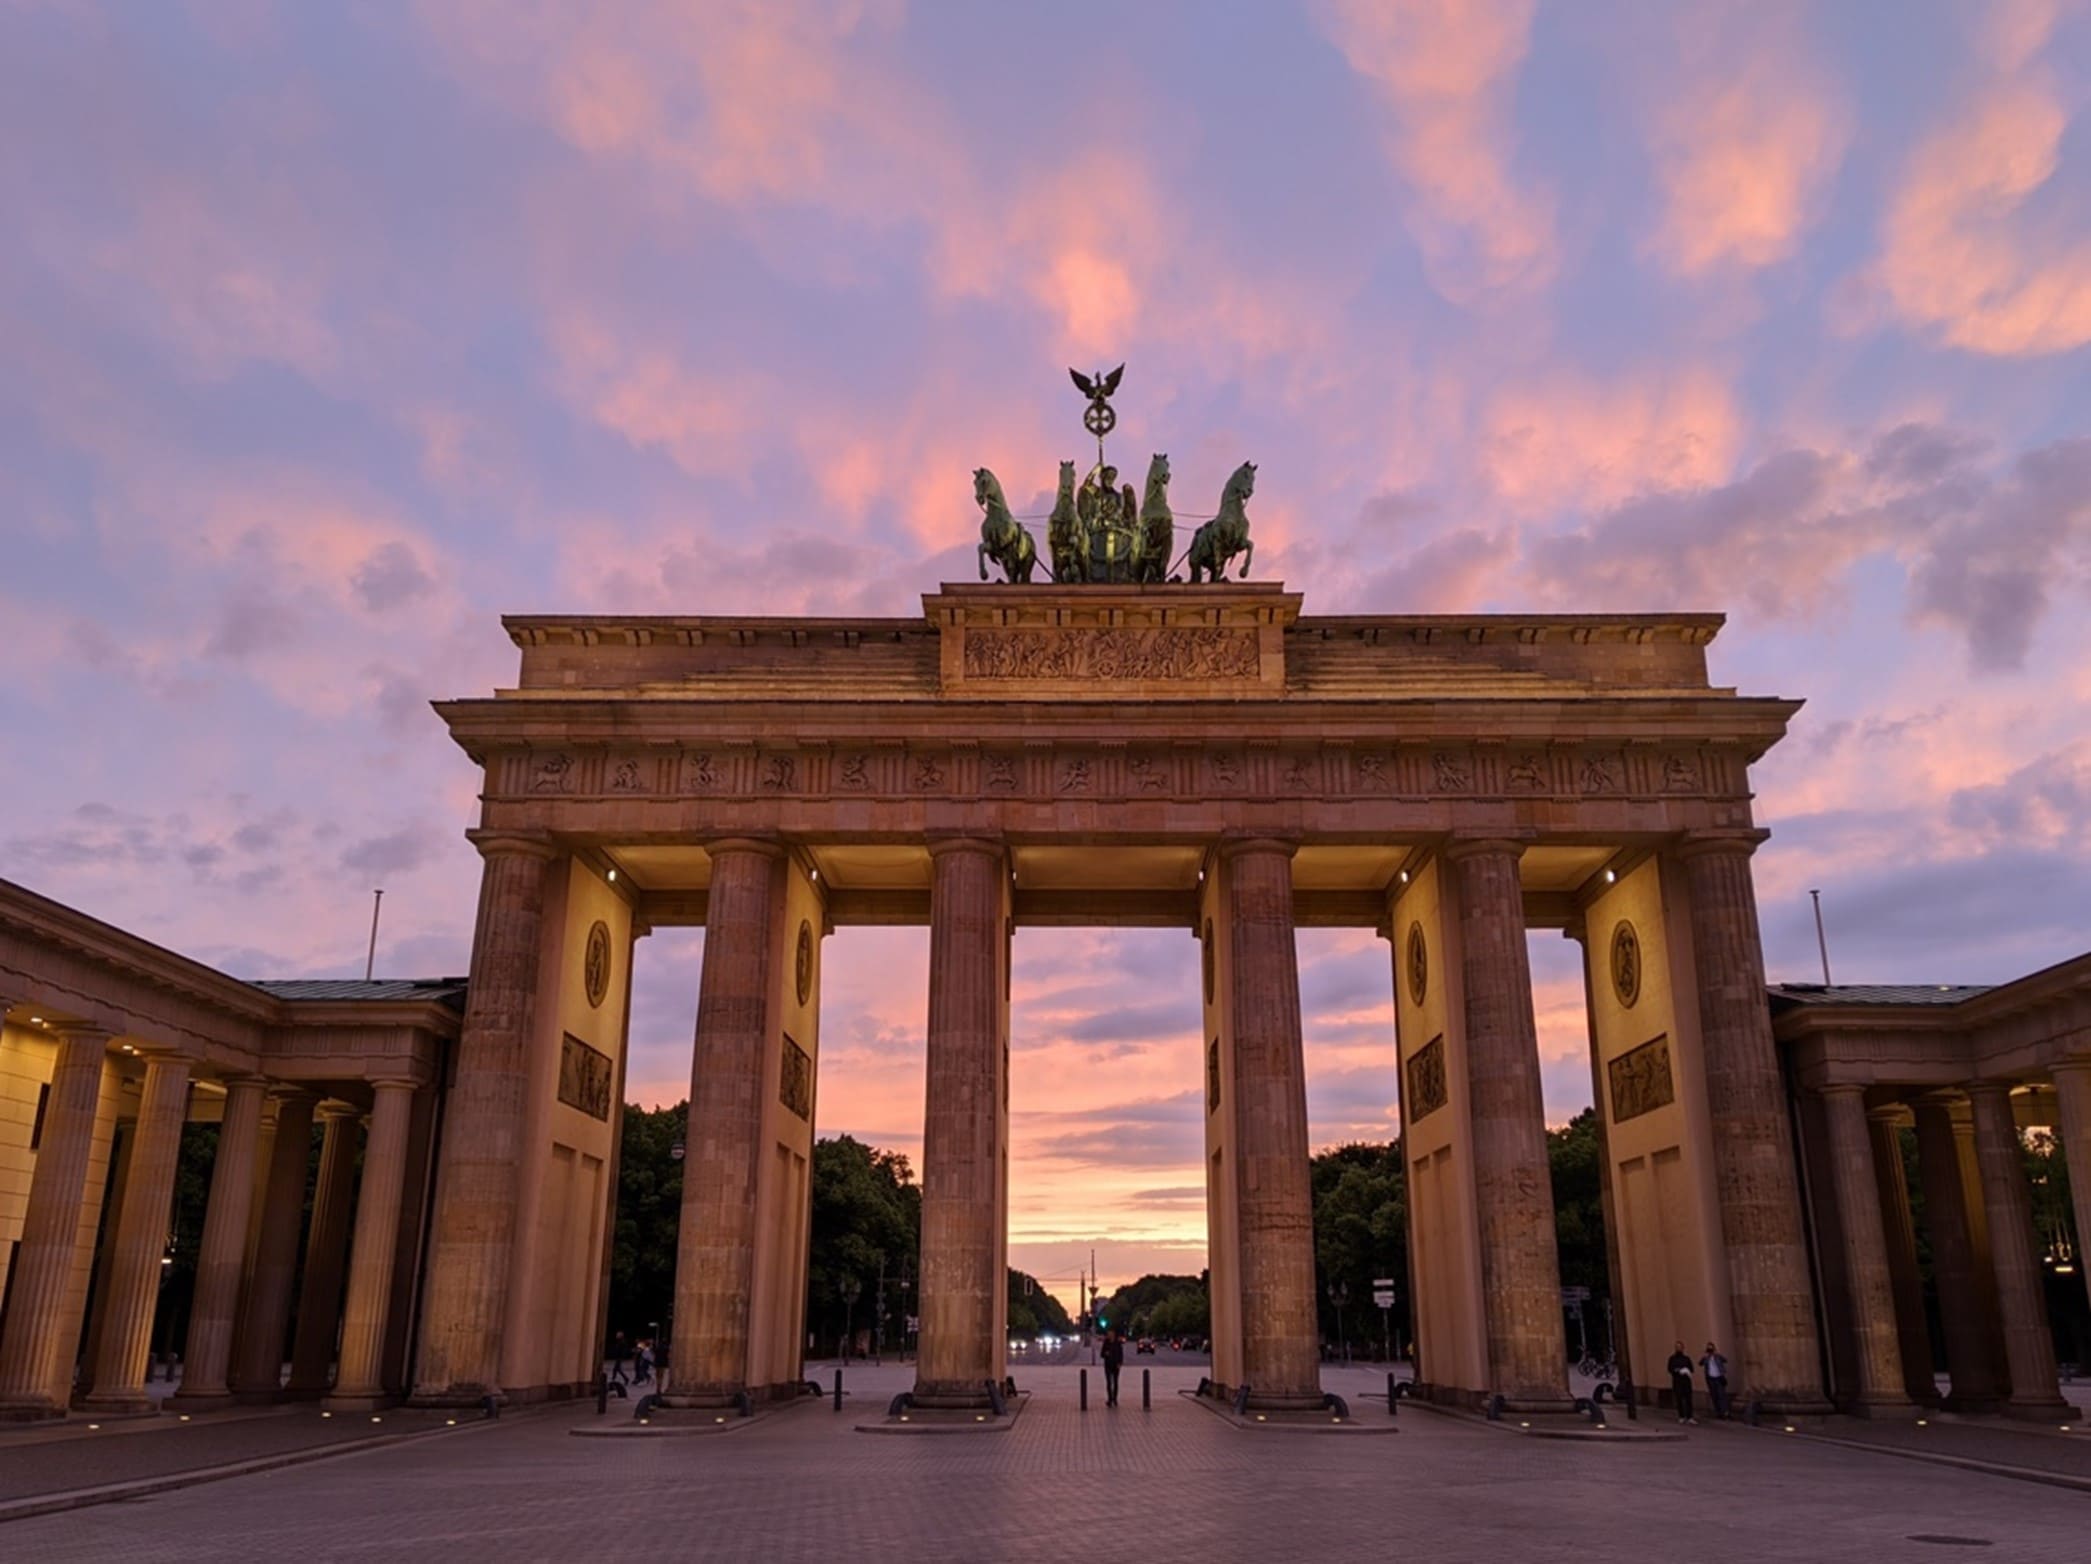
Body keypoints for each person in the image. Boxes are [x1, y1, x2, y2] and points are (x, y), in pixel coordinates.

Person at [1666, 1340, 1697, 1424]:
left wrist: (1686, 1370)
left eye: (1680, 1347)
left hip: (1686, 1382)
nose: (1678, 1348)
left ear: (1683, 1348)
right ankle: (1681, 1416)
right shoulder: (1672, 1358)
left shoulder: (1686, 1358)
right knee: (1679, 1399)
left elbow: (1691, 1369)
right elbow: (1669, 1369)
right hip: (1677, 1382)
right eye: (1677, 1347)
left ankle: (1690, 1417)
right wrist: (1678, 1370)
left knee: (1688, 1400)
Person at [1700, 1342, 1730, 1420]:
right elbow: (1700, 1363)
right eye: (1708, 1348)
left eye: (1711, 1348)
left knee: (1721, 1395)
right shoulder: (1706, 1358)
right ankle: (1718, 1412)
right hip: (1710, 1378)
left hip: (1719, 1378)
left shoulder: (1718, 1357)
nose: (1710, 1350)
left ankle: (1725, 1412)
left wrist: (1717, 1355)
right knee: (1714, 1396)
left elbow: (1725, 1360)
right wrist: (1705, 1357)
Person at [1101, 1329, 1125, 1408]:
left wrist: (1120, 1363)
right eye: (1108, 1334)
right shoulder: (1106, 1343)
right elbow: (1102, 1354)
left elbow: (1121, 1354)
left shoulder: (1118, 1343)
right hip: (1108, 1365)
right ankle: (1110, 1399)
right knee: (1108, 1383)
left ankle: (1115, 1399)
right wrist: (1105, 1353)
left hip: (1115, 1365)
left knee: (1115, 1382)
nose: (1109, 1335)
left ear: (1114, 1334)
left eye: (1111, 1334)